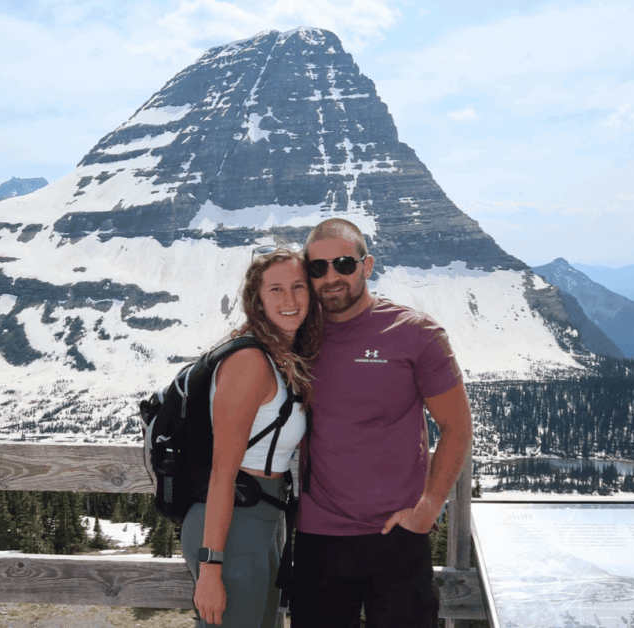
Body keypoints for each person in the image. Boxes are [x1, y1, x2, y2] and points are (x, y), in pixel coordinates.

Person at [290, 218, 473, 628]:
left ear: (366, 265)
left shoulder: (416, 334)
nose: (331, 277)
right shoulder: (298, 336)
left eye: (343, 264)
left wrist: (427, 510)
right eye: (318, 268)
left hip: (398, 535)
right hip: (321, 538)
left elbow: (458, 426)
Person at [181, 243, 324, 627]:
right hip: (231, 531)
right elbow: (221, 474)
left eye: (298, 286)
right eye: (275, 289)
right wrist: (211, 567)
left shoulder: (279, 358)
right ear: (257, 300)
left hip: (260, 524)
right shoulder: (250, 363)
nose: (290, 299)